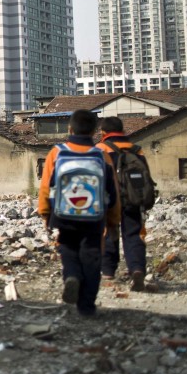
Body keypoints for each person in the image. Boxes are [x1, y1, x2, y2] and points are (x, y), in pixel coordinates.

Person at [37, 109, 120, 317]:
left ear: (70, 129)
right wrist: (113, 221)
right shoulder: (102, 155)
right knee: (92, 257)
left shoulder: (57, 152)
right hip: (94, 216)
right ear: (94, 131)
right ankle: (87, 306)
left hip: (64, 214)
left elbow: (46, 186)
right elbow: (113, 191)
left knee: (68, 249)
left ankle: (71, 276)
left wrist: (45, 214)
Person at [97, 116, 149, 291]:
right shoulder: (136, 150)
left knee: (108, 233)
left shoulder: (101, 149)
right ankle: (137, 269)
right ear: (123, 131)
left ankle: (108, 272)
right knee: (134, 234)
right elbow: (145, 179)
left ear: (103, 132)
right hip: (133, 199)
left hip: (109, 200)